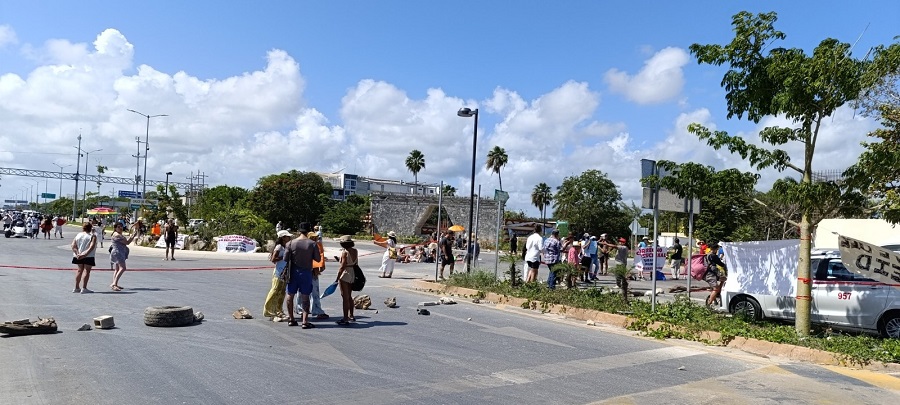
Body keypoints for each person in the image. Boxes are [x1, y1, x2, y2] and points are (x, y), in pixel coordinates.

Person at [283, 222, 320, 328]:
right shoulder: (312, 244)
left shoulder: (290, 243)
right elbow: (317, 258)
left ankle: (291, 319)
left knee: (290, 295)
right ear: (309, 231)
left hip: (293, 272)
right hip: (306, 273)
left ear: (299, 230)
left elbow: (285, 259)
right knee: (305, 297)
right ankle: (305, 321)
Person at [263, 230, 293, 321]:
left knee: (282, 293)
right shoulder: (279, 247)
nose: (289, 238)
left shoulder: (286, 246)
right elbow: (273, 259)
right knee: (275, 291)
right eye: (287, 237)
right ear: (283, 238)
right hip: (279, 272)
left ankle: (279, 311)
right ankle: (269, 311)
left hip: (284, 272)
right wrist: (284, 257)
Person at [335, 235, 358, 325]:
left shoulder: (344, 252)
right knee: (349, 295)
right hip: (352, 272)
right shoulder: (355, 251)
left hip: (345, 274)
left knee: (344, 296)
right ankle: (351, 315)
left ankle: (345, 318)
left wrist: (337, 278)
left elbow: (343, 266)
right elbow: (354, 263)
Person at [108, 222, 138, 291]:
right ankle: (114, 284)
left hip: (118, 252)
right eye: (118, 227)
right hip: (118, 252)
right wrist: (133, 235)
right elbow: (127, 242)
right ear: (115, 228)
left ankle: (114, 283)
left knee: (117, 269)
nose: (121, 228)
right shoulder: (117, 235)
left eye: (121, 226)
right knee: (123, 268)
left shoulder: (117, 234)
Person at [307, 231, 329, 320]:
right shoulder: (313, 246)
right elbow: (316, 260)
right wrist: (318, 268)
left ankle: (302, 310)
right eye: (314, 238)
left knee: (303, 292)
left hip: (304, 271)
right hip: (311, 271)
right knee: (314, 292)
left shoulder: (311, 246)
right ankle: (317, 310)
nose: (316, 239)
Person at [71, 222, 98, 293]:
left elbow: (73, 245)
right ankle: (84, 288)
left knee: (79, 270)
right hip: (88, 256)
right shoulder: (93, 236)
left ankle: (76, 287)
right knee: (87, 271)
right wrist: (85, 254)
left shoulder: (78, 235)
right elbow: (91, 246)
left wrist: (77, 254)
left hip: (78, 255)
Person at [704, 242, 728, 307]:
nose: (717, 251)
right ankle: (708, 305)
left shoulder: (707, 254)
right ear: (715, 249)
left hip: (711, 274)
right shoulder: (713, 256)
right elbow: (720, 263)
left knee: (723, 279)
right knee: (716, 289)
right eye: (717, 249)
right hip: (710, 275)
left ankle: (716, 295)